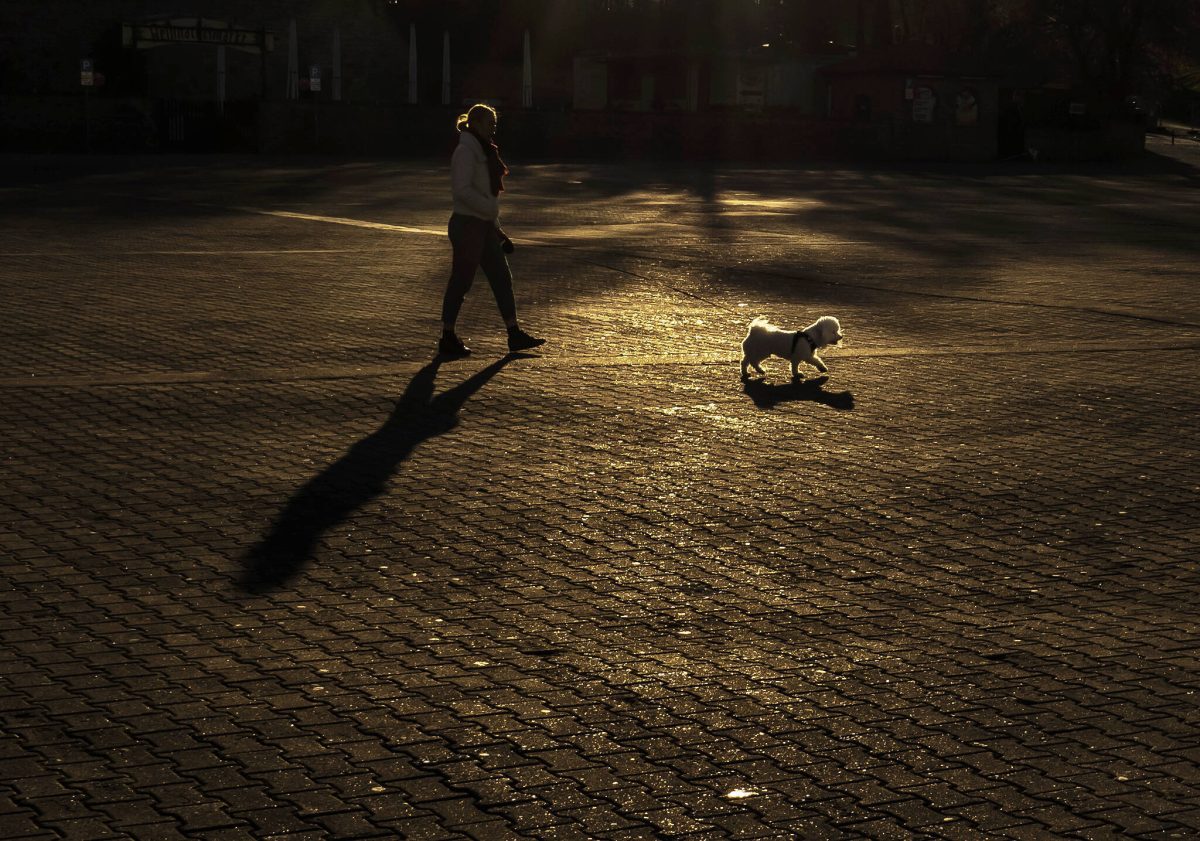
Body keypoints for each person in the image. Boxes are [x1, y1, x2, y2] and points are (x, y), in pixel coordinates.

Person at [438, 103, 544, 357]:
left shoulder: (484, 152)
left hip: (483, 225)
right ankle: (447, 335)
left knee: (501, 278)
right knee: (461, 282)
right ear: (474, 123)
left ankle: (513, 333)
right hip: (466, 224)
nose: (493, 128)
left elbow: (486, 195)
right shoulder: (466, 151)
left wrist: (497, 229)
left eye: (494, 123)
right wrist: (488, 210)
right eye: (489, 123)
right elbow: (462, 191)